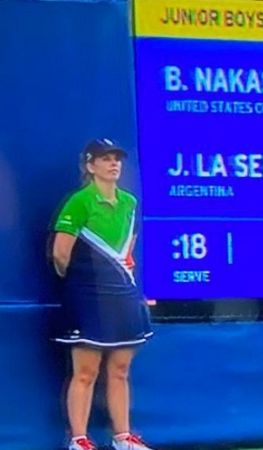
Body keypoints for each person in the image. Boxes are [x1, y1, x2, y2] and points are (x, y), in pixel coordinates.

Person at [51, 138, 154, 450]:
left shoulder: (130, 203)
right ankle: (79, 440)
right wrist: (83, 284)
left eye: (116, 159)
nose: (113, 164)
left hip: (122, 296)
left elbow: (128, 251)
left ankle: (123, 438)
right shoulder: (79, 202)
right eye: (105, 159)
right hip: (87, 297)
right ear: (90, 166)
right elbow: (60, 254)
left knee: (120, 370)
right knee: (86, 371)